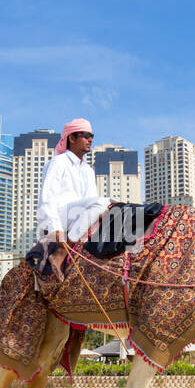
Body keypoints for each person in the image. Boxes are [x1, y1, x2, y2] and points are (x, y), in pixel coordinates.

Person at [32, 118, 111, 280]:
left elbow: (92, 201)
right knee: (102, 202)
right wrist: (55, 229)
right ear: (72, 138)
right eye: (86, 135)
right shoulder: (58, 163)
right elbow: (47, 198)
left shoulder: (88, 170)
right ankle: (61, 252)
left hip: (79, 218)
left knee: (109, 203)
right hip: (60, 218)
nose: (90, 140)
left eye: (92, 136)